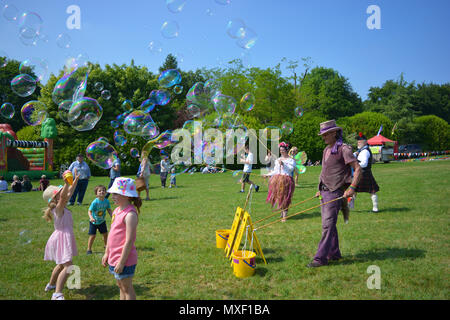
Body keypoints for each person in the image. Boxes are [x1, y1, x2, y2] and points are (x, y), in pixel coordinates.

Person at [307, 120, 362, 268]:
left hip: (335, 192)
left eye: (325, 134)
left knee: (327, 226)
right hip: (324, 192)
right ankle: (335, 253)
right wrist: (319, 187)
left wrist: (352, 187)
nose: (323, 137)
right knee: (329, 224)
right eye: (322, 134)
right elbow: (324, 170)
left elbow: (358, 168)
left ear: (334, 133)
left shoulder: (344, 149)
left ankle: (320, 258)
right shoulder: (326, 150)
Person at [42, 173, 80, 300]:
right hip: (62, 239)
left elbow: (68, 193)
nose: (64, 192)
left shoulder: (61, 204)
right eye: (60, 192)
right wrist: (67, 183)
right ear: (55, 198)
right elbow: (64, 197)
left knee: (60, 265)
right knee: (68, 266)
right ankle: (57, 293)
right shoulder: (58, 209)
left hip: (62, 237)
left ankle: (51, 285)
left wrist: (75, 180)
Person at [102, 177, 141, 300]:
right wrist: (106, 252)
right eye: (112, 193)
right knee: (120, 285)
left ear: (127, 196)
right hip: (114, 256)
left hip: (125, 259)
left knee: (127, 288)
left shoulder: (130, 215)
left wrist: (122, 262)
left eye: (116, 193)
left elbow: (129, 241)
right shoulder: (116, 210)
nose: (112, 196)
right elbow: (112, 234)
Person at [265, 142, 296, 222]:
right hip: (278, 180)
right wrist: (267, 174)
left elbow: (290, 169)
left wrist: (283, 164)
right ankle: (282, 214)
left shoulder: (291, 160)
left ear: (287, 150)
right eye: (280, 150)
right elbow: (275, 171)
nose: (281, 152)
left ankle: (284, 216)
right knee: (280, 197)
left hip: (286, 180)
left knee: (285, 197)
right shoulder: (278, 159)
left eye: (283, 150)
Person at [354, 133, 380, 212]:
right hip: (361, 173)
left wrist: (355, 165)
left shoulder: (365, 151)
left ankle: (375, 208)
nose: (358, 142)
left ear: (365, 142)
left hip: (364, 173)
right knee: (353, 190)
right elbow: (353, 155)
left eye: (360, 141)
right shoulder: (360, 150)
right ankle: (348, 207)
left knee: (372, 190)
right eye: (358, 141)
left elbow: (364, 164)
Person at [87, 185, 112, 255]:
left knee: (105, 234)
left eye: (103, 190)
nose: (102, 192)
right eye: (99, 191)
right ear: (96, 194)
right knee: (92, 235)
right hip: (94, 222)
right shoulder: (95, 202)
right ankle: (89, 249)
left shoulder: (106, 201)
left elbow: (109, 209)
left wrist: (112, 216)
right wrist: (91, 218)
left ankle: (106, 246)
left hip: (102, 221)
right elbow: (89, 211)